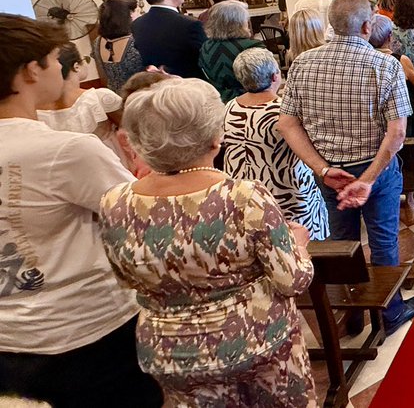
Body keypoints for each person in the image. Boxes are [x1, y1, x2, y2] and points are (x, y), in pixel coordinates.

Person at [100, 79, 315, 406]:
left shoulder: (115, 203)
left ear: (137, 142)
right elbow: (292, 279)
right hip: (254, 341)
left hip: (171, 353)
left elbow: (127, 277)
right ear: (217, 138)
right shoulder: (244, 197)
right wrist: (297, 243)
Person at [0, 15, 162, 407]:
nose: (61, 67)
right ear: (30, 71)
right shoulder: (65, 150)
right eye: (55, 58)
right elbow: (143, 218)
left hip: (9, 335)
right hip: (86, 331)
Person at [278, 0, 414, 334]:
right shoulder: (384, 65)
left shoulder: (302, 63)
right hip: (375, 168)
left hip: (330, 172)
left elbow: (287, 124)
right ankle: (388, 313)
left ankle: (351, 314)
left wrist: (323, 169)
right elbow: (397, 132)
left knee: (342, 242)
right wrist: (370, 179)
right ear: (366, 26)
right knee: (384, 240)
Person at [224, 48, 329, 240]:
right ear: (275, 77)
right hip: (288, 198)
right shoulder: (285, 112)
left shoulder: (230, 107)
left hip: (244, 198)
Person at [37, 43, 124, 159]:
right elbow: (133, 130)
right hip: (109, 161)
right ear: (76, 66)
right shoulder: (99, 98)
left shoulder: (35, 109)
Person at [131, 0, 207, 78]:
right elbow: (206, 59)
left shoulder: (137, 24)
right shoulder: (189, 24)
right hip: (188, 86)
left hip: (156, 86)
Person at [199, 0, 265, 102]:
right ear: (237, 22)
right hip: (251, 102)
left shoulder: (206, 46)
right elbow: (267, 80)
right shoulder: (252, 46)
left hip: (218, 101)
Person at [93, 0, 145, 93]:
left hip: (114, 95)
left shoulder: (98, 41)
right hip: (139, 96)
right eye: (138, 11)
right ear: (130, 14)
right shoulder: (136, 41)